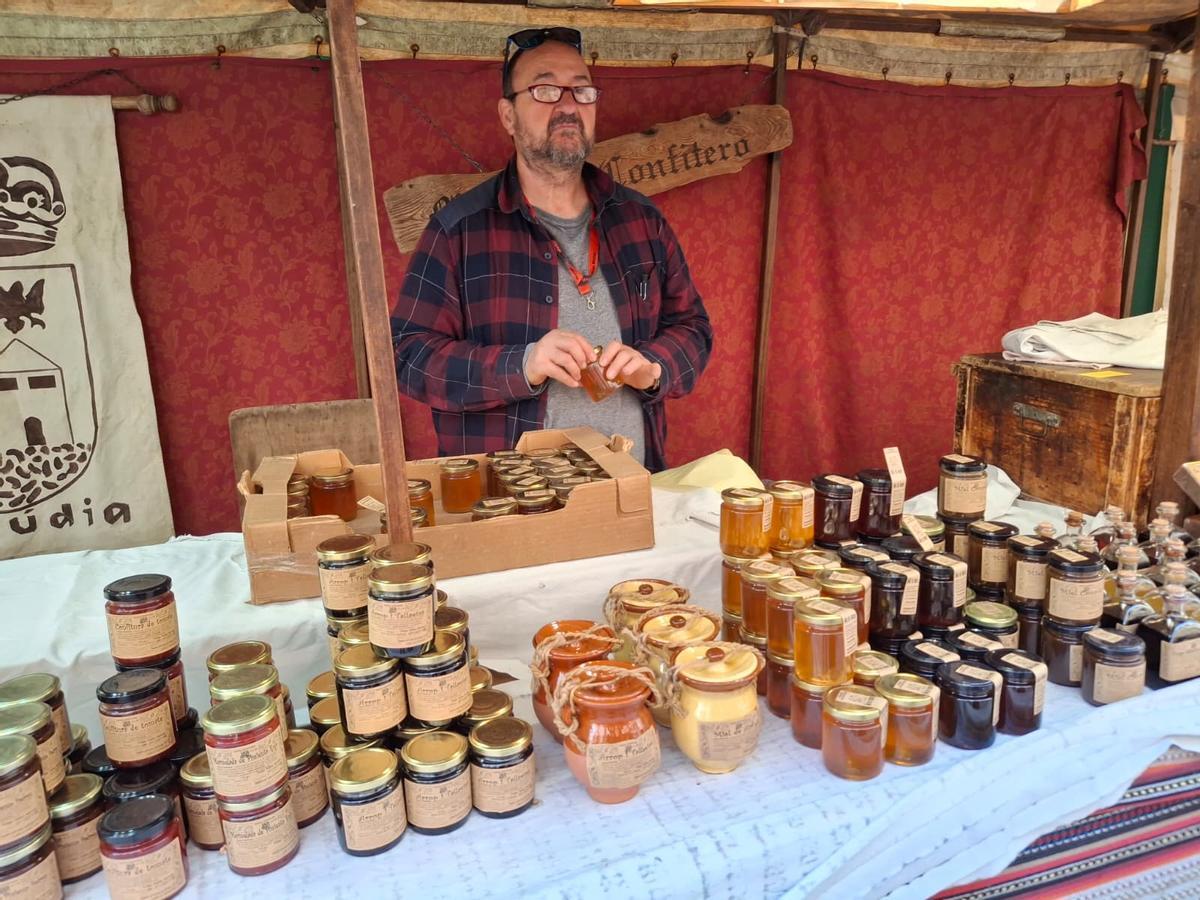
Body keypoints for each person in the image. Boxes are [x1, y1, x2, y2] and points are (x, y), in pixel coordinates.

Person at [391, 26, 712, 470]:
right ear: (508, 115)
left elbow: (693, 327)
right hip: (510, 500)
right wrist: (523, 364)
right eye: (545, 90)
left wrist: (652, 367)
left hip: (634, 486)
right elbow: (409, 356)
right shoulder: (458, 231)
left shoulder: (641, 220)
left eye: (582, 91)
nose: (567, 106)